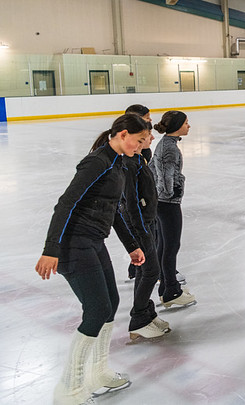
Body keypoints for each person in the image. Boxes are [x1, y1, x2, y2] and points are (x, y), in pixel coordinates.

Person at [35, 114, 150, 404]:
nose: (140, 147)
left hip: (94, 241)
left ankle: (98, 373)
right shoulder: (97, 162)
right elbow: (65, 203)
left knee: (110, 305)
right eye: (138, 141)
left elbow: (114, 211)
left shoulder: (119, 163)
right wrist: (52, 249)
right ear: (123, 135)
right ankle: (69, 389)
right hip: (74, 244)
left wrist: (132, 246)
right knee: (97, 309)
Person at [119, 121, 171, 339]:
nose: (151, 139)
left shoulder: (138, 159)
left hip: (146, 221)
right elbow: (130, 202)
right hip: (138, 224)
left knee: (145, 271)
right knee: (150, 271)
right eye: (145, 137)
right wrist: (140, 230)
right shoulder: (128, 164)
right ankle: (139, 319)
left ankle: (146, 313)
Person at [152, 110, 196, 308]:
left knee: (164, 245)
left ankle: (165, 287)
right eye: (186, 123)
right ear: (178, 125)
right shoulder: (169, 148)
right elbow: (165, 176)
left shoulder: (166, 143)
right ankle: (171, 290)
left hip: (161, 202)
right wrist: (170, 193)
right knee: (171, 246)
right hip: (167, 203)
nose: (189, 126)